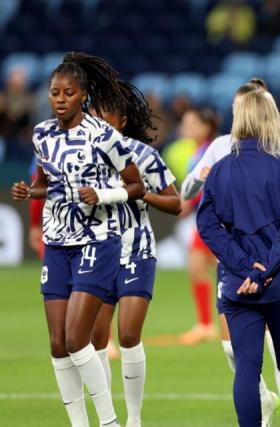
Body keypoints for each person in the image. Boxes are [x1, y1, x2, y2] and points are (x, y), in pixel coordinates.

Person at [10, 52, 146, 427]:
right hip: (56, 243)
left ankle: (109, 422)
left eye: (68, 93)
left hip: (97, 241)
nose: (59, 99)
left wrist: (103, 196)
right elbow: (46, 182)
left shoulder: (104, 135)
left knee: (75, 339)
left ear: (82, 95)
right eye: (55, 92)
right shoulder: (41, 134)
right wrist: (31, 192)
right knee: (57, 344)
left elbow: (136, 185)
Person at [182, 78, 280, 427]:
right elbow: (190, 187)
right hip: (244, 265)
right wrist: (200, 176)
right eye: (237, 109)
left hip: (274, 263)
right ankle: (265, 401)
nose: (241, 115)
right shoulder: (221, 147)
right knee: (238, 351)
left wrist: (263, 263)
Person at [88, 80, 182, 427]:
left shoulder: (142, 155)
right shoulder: (82, 154)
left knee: (127, 335)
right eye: (93, 111)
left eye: (104, 111)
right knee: (97, 339)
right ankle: (106, 418)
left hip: (136, 250)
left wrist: (142, 195)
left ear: (122, 120)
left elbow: (175, 203)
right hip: (96, 251)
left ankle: (134, 418)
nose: (96, 116)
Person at [178, 108, 222, 346]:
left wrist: (187, 202)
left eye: (191, 122)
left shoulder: (209, 151)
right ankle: (205, 323)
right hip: (206, 217)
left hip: (213, 218)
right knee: (204, 267)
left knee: (201, 266)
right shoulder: (197, 151)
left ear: (206, 127)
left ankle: (206, 325)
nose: (186, 128)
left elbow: (207, 184)